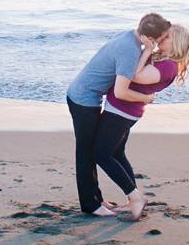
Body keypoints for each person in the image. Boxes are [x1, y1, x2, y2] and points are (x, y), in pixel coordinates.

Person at [66, 13, 172, 216]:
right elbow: (121, 92)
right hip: (84, 99)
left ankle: (96, 198)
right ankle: (91, 205)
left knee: (92, 151)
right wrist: (146, 99)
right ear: (150, 39)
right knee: (86, 153)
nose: (159, 44)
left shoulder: (129, 37)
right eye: (159, 40)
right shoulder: (129, 51)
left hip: (83, 93)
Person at [93, 24, 189, 221]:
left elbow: (135, 75)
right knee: (116, 153)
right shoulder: (162, 58)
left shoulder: (168, 66)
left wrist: (147, 49)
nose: (162, 37)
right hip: (123, 108)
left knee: (101, 154)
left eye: (167, 37)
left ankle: (135, 197)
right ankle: (133, 199)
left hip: (122, 111)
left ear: (177, 44)